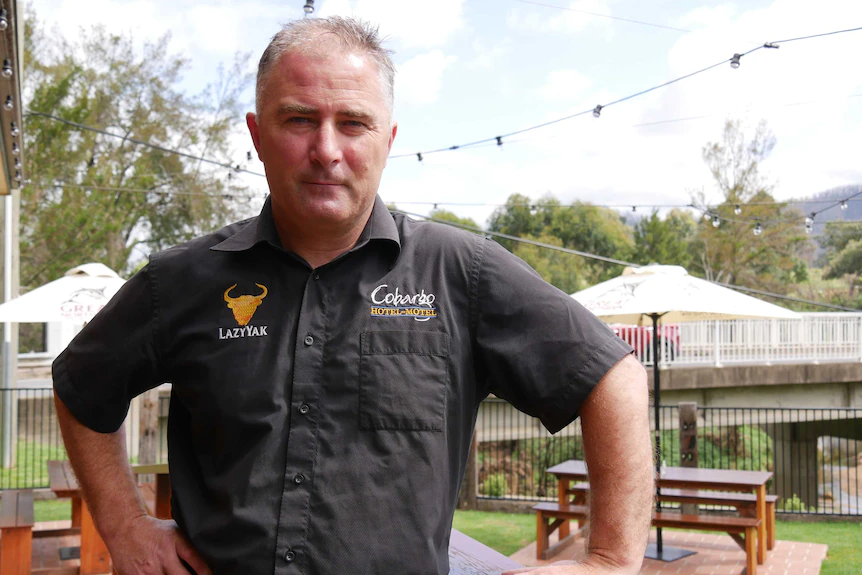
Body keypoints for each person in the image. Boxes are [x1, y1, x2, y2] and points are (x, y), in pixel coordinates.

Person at [52, 16, 653, 575]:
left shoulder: (459, 272)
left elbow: (611, 377)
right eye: (299, 120)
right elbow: (81, 384)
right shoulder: (183, 280)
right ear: (257, 135)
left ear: (388, 138)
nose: (327, 150)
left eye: (353, 123)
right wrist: (125, 525)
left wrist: (610, 559)